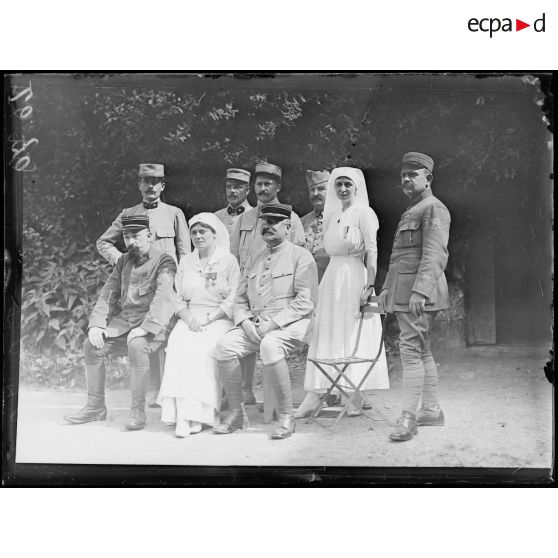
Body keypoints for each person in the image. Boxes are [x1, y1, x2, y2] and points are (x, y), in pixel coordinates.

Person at [64, 215, 177, 430]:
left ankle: (137, 411)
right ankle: (95, 406)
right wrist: (97, 324)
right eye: (126, 237)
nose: (131, 241)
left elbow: (164, 297)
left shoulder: (165, 261)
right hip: (126, 323)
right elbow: (108, 292)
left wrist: (145, 328)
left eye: (136, 235)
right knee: (92, 345)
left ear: (150, 236)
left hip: (157, 323)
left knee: (137, 345)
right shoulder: (124, 261)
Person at [215, 204, 318, 439]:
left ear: (288, 227)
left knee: (270, 345)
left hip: (292, 325)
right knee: (225, 345)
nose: (268, 226)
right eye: (265, 222)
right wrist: (245, 322)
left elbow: (306, 302)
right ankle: (236, 413)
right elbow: (239, 299)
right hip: (257, 325)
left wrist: (272, 324)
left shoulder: (302, 257)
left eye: (275, 222)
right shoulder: (255, 258)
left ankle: (286, 416)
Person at [295, 167, 389, 419]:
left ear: (357, 187)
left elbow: (372, 251)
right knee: (325, 331)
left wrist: (368, 286)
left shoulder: (364, 213)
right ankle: (315, 393)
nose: (343, 189)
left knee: (350, 332)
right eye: (338, 185)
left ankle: (353, 393)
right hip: (332, 279)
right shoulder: (333, 215)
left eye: (348, 184)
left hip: (354, 277)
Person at [96, 163, 190, 407]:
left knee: (164, 337)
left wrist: (184, 285)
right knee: (143, 338)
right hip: (138, 290)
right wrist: (123, 261)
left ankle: (168, 392)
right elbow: (103, 242)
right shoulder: (128, 213)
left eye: (155, 181)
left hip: (167, 287)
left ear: (162, 185)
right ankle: (150, 393)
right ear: (138, 184)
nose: (150, 185)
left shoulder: (174, 213)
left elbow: (185, 253)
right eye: (145, 180)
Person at [379, 152, 450, 442]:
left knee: (410, 350)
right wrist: (385, 287)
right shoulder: (414, 209)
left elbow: (435, 254)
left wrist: (420, 290)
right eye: (403, 176)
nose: (406, 180)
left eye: (413, 174)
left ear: (428, 178)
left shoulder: (434, 208)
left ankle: (408, 416)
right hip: (404, 290)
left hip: (418, 293)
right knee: (420, 350)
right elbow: (399, 256)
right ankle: (431, 409)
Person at [229, 162, 306, 406]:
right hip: (248, 290)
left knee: (270, 342)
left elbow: (299, 261)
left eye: (267, 184)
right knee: (234, 338)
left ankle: (278, 406)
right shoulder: (245, 218)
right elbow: (234, 258)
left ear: (278, 186)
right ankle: (242, 393)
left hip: (279, 299)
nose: (262, 189)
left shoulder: (291, 218)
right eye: (258, 184)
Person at [157, 213, 240, 437]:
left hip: (219, 319)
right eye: (194, 232)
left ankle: (201, 415)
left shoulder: (228, 261)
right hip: (191, 317)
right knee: (177, 344)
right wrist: (190, 319)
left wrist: (209, 318)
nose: (198, 236)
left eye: (203, 231)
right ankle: (184, 416)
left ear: (215, 234)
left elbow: (233, 298)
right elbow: (178, 298)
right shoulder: (186, 261)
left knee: (202, 349)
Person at [301, 170, 331, 283]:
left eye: (321, 189)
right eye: (312, 189)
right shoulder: (301, 222)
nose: (315, 194)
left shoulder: (341, 219)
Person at [214, 168, 253, 235]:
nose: (232, 190)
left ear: (247, 191)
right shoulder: (216, 217)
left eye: (237, 187)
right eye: (229, 186)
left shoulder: (255, 216)